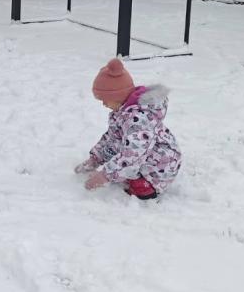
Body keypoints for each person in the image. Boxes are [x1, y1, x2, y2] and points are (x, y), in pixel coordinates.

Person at [75, 58, 182, 199]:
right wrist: (96, 159)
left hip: (159, 170)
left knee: (137, 189)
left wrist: (105, 175)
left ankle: (146, 186)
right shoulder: (123, 112)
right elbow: (113, 139)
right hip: (144, 158)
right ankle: (126, 174)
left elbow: (132, 155)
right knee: (122, 168)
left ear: (117, 96)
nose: (103, 104)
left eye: (105, 99)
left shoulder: (138, 120)